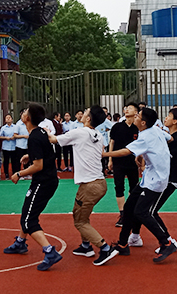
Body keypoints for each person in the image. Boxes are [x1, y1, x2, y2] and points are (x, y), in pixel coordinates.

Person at [47, 105, 118, 266]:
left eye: (85, 112)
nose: (82, 113)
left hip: (90, 185)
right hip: (99, 183)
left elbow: (54, 140)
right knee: (81, 215)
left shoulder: (79, 132)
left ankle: (105, 248)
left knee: (79, 221)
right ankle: (86, 246)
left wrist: (44, 130)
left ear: (88, 118)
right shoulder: (97, 135)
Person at [105, 107, 177, 263]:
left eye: (138, 115)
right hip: (148, 178)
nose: (135, 117)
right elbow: (170, 138)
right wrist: (145, 153)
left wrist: (103, 154)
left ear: (143, 122)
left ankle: (166, 242)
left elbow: (125, 151)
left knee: (141, 212)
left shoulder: (145, 136)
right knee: (129, 208)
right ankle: (123, 244)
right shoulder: (155, 130)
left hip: (156, 180)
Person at [4, 104, 62, 271]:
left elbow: (38, 166)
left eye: (25, 111)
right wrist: (30, 155)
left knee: (28, 220)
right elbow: (47, 153)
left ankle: (49, 251)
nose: (23, 113)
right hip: (48, 180)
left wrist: (19, 173)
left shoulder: (34, 137)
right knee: (28, 212)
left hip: (43, 182)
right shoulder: (41, 132)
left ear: (27, 118)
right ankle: (20, 242)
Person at [152, 107, 177, 254]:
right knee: (149, 211)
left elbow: (164, 157)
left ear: (175, 121)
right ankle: (166, 240)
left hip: (169, 180)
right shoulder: (170, 137)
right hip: (164, 179)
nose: (165, 118)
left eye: (169, 116)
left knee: (151, 211)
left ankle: (167, 240)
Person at [108, 103, 140, 227]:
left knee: (134, 187)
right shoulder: (117, 127)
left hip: (132, 162)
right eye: (126, 108)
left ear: (136, 112)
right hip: (118, 162)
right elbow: (112, 142)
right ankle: (122, 214)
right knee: (119, 187)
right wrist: (110, 159)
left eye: (130, 108)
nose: (126, 110)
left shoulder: (137, 128)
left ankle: (130, 212)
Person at [0, 114, 18, 180]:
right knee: (6, 161)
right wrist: (6, 138)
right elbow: (0, 136)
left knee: (14, 161)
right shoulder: (3, 128)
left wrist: (14, 137)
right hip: (6, 146)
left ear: (12, 119)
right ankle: (6, 174)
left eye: (9, 118)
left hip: (14, 146)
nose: (8, 119)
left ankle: (14, 173)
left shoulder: (15, 127)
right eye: (6, 118)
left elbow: (18, 134)